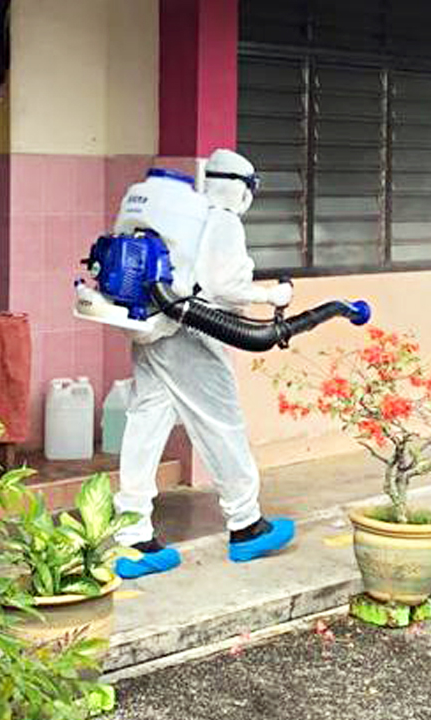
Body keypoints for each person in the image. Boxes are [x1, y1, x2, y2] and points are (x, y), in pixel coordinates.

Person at [113, 149, 295, 580]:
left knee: (146, 423)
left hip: (151, 328)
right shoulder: (221, 220)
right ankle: (246, 524)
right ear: (243, 188)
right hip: (190, 332)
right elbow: (223, 285)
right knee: (221, 424)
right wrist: (272, 296)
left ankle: (132, 537)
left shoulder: (179, 216)